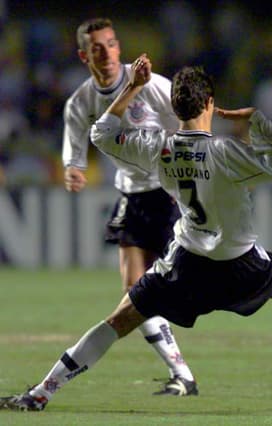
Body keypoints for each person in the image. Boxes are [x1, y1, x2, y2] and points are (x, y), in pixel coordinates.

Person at [0, 58, 272, 411]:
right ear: (209, 105)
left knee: (120, 319)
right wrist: (254, 119)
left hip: (186, 263)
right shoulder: (225, 151)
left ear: (174, 107)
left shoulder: (159, 146)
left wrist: (132, 88)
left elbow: (101, 134)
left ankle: (41, 393)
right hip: (239, 262)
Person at [61, 18, 197, 394]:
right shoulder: (81, 101)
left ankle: (183, 374)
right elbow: (74, 146)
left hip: (167, 191)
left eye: (110, 44)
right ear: (83, 55)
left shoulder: (150, 83)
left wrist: (184, 166)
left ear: (119, 47)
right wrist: (73, 169)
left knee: (158, 289)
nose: (105, 53)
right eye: (96, 47)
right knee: (135, 289)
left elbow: (192, 118)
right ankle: (182, 375)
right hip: (131, 194)